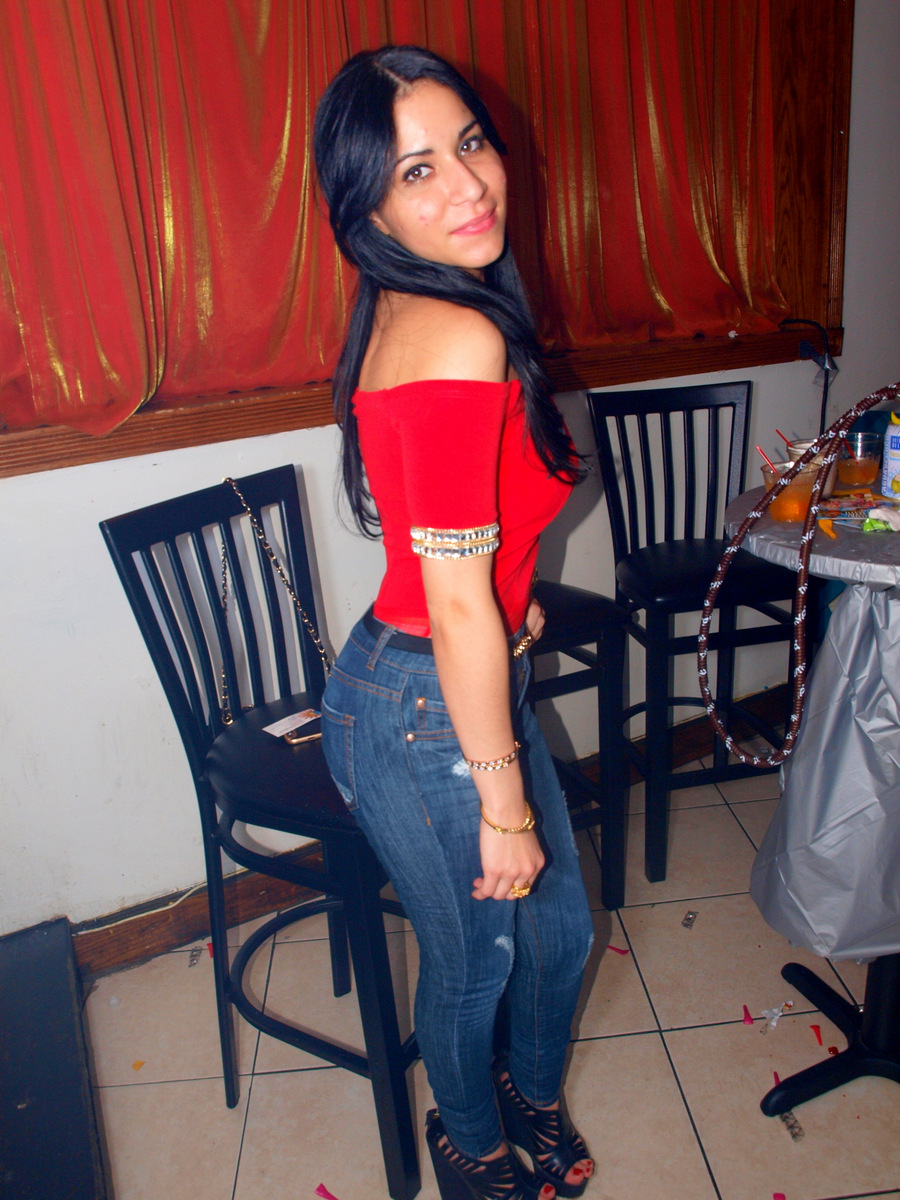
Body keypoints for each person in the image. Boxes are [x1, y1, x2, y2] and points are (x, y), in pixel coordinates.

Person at [314, 46, 595, 1200]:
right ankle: (470, 1141)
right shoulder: (457, 334)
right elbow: (454, 598)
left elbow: (464, 558)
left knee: (561, 937)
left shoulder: (428, 298)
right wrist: (504, 803)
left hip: (460, 678)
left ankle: (531, 1093)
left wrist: (512, 602)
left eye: (470, 143)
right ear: (369, 210)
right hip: (420, 706)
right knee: (477, 961)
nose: (468, 184)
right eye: (417, 170)